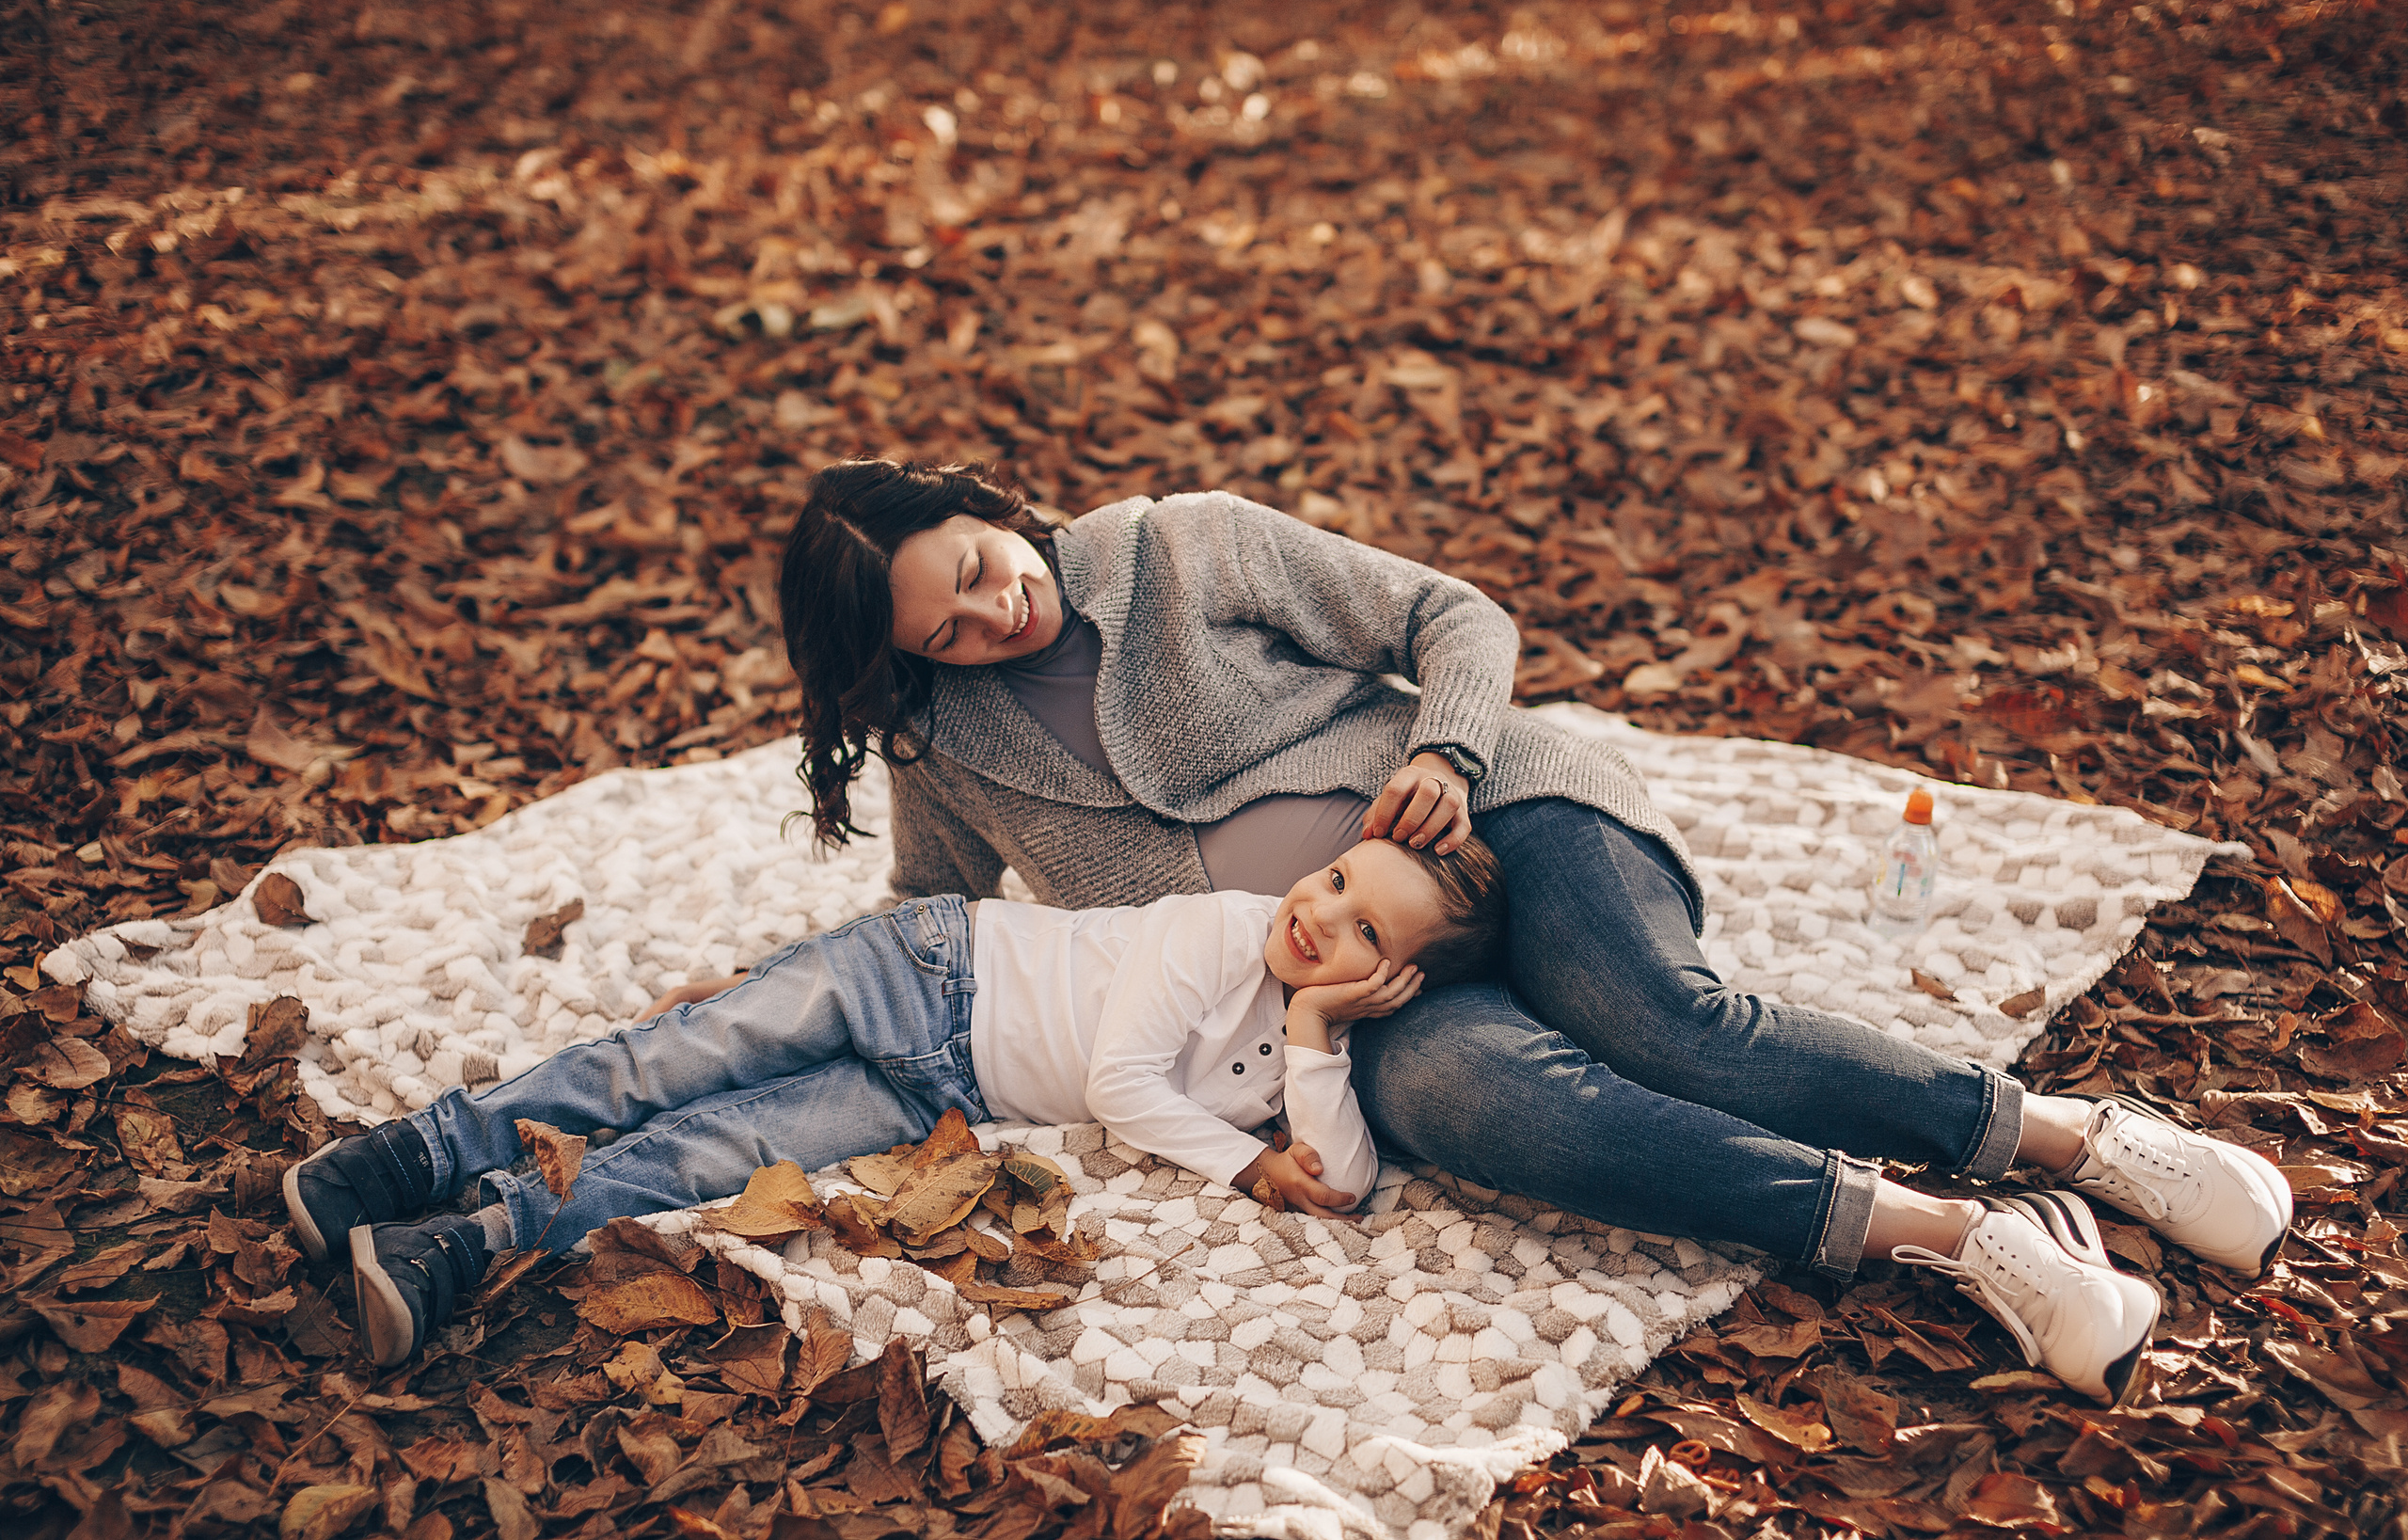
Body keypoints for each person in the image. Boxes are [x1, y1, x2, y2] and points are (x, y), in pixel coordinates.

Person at [655, 456, 2291, 1407]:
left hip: (1490, 818)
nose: (993, 618)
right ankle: (1955, 1235)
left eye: (986, 572)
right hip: (1347, 981)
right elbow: (931, 917)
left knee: (1656, 1020)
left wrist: (1441, 746)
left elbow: (1455, 615)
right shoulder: (947, 744)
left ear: (993, 508)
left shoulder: (1182, 546)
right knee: (1468, 1105)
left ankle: (2069, 1139)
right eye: (947, 631)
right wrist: (781, 998)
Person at [283, 833, 1507, 1368]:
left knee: (711, 1152)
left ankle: (469, 1237)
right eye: (1337, 876)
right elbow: (1121, 1084)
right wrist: (1246, 1166)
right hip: (927, 969)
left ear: (1390, 981)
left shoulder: (1307, 1030)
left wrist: (1312, 1032)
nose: (1320, 912)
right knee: (669, 1061)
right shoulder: (1222, 929)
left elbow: (1340, 1182)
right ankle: (419, 1153)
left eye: (1363, 929)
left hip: (951, 1094)